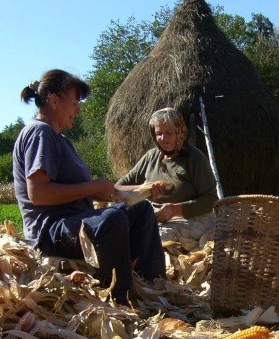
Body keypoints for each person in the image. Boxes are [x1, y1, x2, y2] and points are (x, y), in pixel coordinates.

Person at [12, 69, 165, 304]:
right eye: (74, 103)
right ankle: (121, 299)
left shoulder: (60, 140)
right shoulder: (39, 133)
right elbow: (38, 194)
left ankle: (152, 286)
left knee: (141, 211)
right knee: (111, 221)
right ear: (54, 101)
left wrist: (143, 189)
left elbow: (103, 190)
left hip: (74, 221)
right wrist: (92, 187)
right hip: (49, 230)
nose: (78, 110)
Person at [116, 107, 218, 242]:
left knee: (153, 240)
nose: (164, 138)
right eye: (159, 133)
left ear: (179, 132)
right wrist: (144, 189)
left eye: (169, 133)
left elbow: (211, 200)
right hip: (155, 217)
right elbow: (120, 186)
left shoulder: (195, 158)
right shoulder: (151, 157)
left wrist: (174, 210)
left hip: (194, 219)